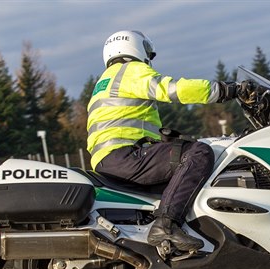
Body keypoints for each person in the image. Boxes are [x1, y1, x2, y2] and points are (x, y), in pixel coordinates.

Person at [87, 30, 240, 253]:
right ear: (136, 48)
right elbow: (171, 89)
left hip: (109, 159)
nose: (149, 58)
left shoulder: (105, 81)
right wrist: (223, 90)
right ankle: (166, 226)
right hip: (125, 156)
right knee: (198, 153)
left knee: (180, 177)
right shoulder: (130, 70)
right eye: (148, 51)